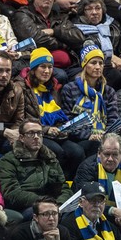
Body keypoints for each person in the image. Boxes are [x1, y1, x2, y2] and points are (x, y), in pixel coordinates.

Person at [18, 49, 84, 178]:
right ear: (33, 68)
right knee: (57, 151)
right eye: (42, 66)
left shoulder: (53, 88)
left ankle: (70, 186)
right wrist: (47, 129)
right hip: (35, 134)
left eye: (50, 67)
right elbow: (23, 119)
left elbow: (59, 115)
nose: (47, 71)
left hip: (55, 134)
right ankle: (56, 186)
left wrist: (64, 128)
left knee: (77, 151)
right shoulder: (22, 88)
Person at [0, 119, 69, 215]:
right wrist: (43, 203)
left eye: (39, 133)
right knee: (40, 214)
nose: (36, 137)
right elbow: (11, 193)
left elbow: (64, 187)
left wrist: (60, 204)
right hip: (26, 207)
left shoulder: (50, 158)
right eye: (31, 133)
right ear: (21, 138)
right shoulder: (8, 160)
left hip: (51, 205)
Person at [59, 45, 119, 155]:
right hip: (79, 139)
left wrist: (106, 136)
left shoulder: (109, 91)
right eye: (93, 63)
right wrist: (88, 136)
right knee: (94, 146)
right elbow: (67, 121)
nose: (98, 67)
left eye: (100, 63)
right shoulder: (70, 89)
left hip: (104, 137)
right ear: (85, 65)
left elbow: (113, 119)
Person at [12, 0, 84, 72]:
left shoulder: (59, 16)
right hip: (38, 67)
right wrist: (63, 44)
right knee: (61, 75)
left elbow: (79, 36)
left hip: (70, 65)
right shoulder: (22, 14)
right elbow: (35, 40)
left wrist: (54, 31)